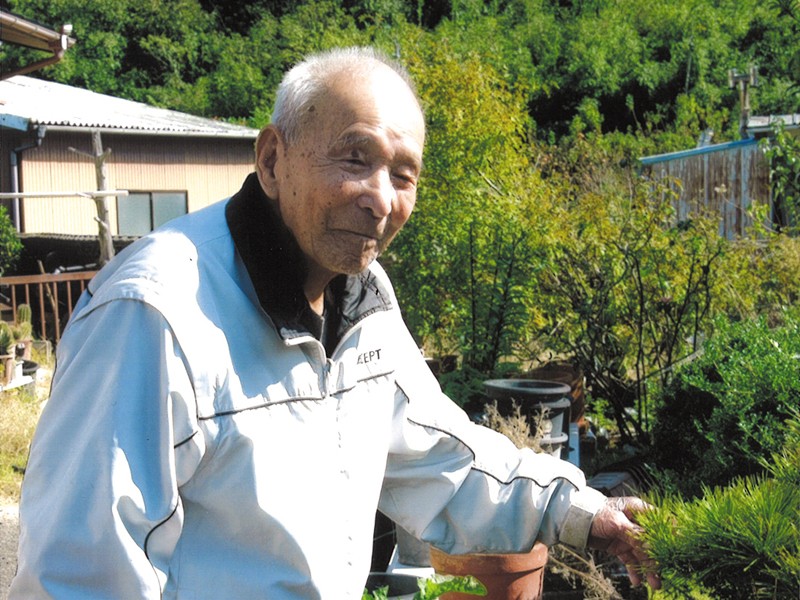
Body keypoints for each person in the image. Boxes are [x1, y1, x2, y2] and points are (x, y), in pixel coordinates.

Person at [10, 46, 660, 599]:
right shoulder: (156, 314)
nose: (381, 198)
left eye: (403, 175)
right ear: (272, 160)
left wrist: (585, 513)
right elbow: (78, 576)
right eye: (355, 159)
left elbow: (441, 459)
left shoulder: (362, 299)